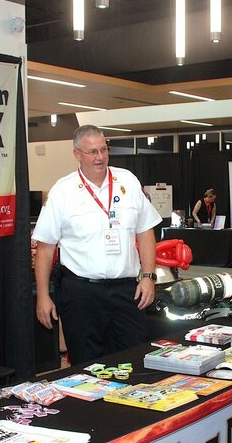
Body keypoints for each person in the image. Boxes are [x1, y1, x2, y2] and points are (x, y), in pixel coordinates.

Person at [33, 125, 161, 364]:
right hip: (82, 294)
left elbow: (145, 231)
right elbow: (45, 248)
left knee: (134, 360)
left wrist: (148, 276)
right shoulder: (63, 191)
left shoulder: (128, 181)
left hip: (126, 291)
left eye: (103, 149)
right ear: (77, 154)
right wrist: (42, 295)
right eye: (92, 152)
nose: (100, 157)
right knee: (86, 366)